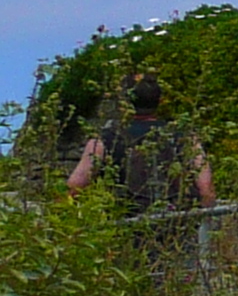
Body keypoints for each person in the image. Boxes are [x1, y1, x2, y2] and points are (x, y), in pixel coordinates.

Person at [67, 75, 214, 210]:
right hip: (177, 224)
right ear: (160, 101)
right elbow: (206, 189)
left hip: (125, 225)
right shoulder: (185, 137)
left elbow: (74, 187)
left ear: (127, 102)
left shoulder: (105, 140)